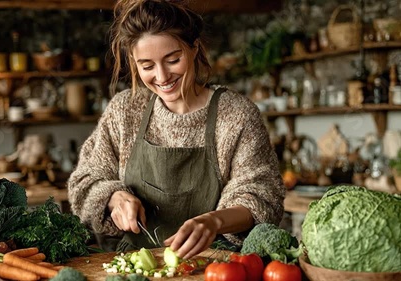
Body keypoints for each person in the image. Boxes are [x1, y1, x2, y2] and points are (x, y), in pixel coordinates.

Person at [67, 0, 285, 259]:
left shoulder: (236, 115)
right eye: (147, 66)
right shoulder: (124, 111)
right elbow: (84, 183)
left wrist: (213, 222)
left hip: (216, 265)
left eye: (173, 60)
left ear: (194, 48)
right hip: (136, 266)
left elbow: (262, 195)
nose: (161, 76)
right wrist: (115, 197)